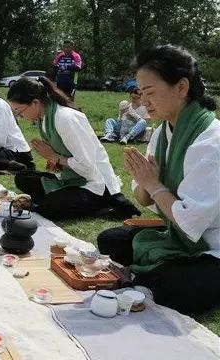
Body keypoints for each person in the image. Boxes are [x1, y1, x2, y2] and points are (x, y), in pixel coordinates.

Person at [97, 45, 220, 314]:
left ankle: (160, 278)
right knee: (110, 239)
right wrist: (143, 181)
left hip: (210, 245)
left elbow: (189, 222)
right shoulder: (163, 133)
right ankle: (153, 275)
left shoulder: (210, 143)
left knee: (176, 288)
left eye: (150, 93)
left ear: (181, 87)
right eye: (141, 94)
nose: (144, 101)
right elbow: (146, 200)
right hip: (177, 233)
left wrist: (154, 184)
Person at [7, 77, 140, 220]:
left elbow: (87, 167)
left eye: (19, 111)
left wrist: (54, 156)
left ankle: (103, 204)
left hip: (94, 183)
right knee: (23, 178)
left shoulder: (65, 118)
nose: (19, 116)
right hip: (72, 177)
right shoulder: (44, 119)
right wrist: (52, 159)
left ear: (35, 103)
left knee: (48, 206)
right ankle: (62, 196)